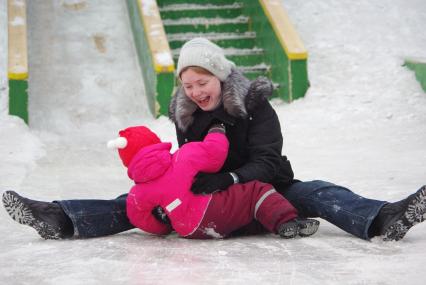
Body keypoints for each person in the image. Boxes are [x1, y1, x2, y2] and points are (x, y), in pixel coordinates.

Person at [2, 37, 426, 241]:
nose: (195, 92)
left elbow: (269, 160)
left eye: (202, 82)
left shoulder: (255, 105)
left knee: (318, 191)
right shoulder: (187, 117)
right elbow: (178, 168)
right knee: (131, 202)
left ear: (220, 78)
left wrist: (231, 179)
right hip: (203, 204)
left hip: (263, 193)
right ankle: (61, 218)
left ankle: (384, 218)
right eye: (187, 86)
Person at [105, 125, 319, 239]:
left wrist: (165, 227)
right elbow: (215, 151)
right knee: (256, 191)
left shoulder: (136, 193)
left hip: (189, 230)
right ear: (155, 143)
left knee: (243, 214)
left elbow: (140, 218)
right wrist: (216, 129)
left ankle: (270, 222)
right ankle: (287, 222)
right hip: (211, 209)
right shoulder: (182, 157)